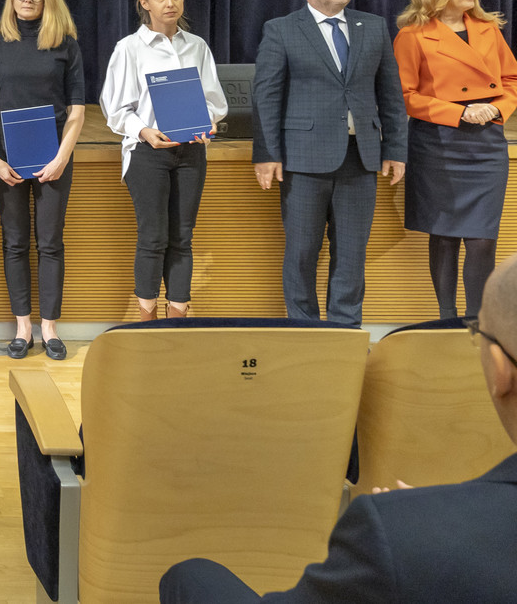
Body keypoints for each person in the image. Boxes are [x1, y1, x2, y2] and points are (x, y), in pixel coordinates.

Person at [159, 253, 517, 603]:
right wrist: (437, 516)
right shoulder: (417, 529)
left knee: (189, 575)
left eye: (477, 333)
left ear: (500, 370)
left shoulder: (392, 534)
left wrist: (415, 526)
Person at [252, 0, 407, 326]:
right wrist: (267, 154)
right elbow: (266, 96)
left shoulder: (372, 26)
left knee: (352, 254)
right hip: (302, 160)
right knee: (302, 253)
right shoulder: (282, 29)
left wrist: (396, 148)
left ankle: (345, 333)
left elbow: (390, 93)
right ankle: (304, 332)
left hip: (361, 157)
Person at [100, 0, 228, 321]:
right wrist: (144, 131)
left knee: (182, 236)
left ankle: (178, 319)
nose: (170, 3)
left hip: (190, 152)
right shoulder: (130, 48)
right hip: (147, 154)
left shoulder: (197, 47)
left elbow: (214, 101)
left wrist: (208, 122)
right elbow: (115, 108)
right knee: (153, 236)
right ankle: (146, 320)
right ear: (145, 3)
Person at [392, 0, 517, 319]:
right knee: (445, 236)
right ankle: (447, 320)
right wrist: (458, 113)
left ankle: (478, 323)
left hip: (486, 144)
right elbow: (404, 95)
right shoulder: (412, 35)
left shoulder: (488, 28)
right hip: (438, 143)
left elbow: (511, 80)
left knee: (482, 240)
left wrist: (495, 109)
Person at [0, 0, 86, 360]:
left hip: (54, 157)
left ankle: (50, 329)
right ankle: (23, 328)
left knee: (51, 242)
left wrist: (61, 157)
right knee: (15, 242)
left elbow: (77, 111)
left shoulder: (66, 46)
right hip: (7, 159)